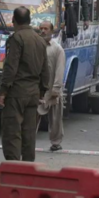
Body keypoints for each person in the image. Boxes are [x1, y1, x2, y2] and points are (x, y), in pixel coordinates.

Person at [0, 7, 50, 162]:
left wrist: (3, 92)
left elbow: (10, 67)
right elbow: (45, 69)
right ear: (30, 20)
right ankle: (28, 167)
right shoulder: (40, 40)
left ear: (13, 20)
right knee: (29, 132)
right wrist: (42, 91)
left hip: (17, 92)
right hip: (33, 92)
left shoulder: (17, 39)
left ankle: (13, 166)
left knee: (12, 131)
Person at [37, 21, 66, 152]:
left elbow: (60, 70)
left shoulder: (57, 49)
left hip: (52, 88)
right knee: (33, 116)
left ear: (52, 31)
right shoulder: (35, 46)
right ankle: (28, 141)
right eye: (41, 28)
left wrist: (56, 89)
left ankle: (56, 142)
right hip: (38, 89)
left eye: (46, 29)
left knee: (55, 118)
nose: (43, 31)